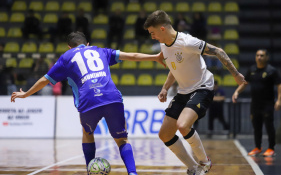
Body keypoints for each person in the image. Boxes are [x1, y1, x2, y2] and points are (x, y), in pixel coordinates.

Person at [11, 31, 165, 175]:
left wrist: (26, 94)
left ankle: (90, 169)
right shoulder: (100, 50)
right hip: (112, 97)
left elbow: (45, 79)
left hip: (88, 100)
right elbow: (132, 55)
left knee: (87, 133)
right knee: (122, 139)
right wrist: (155, 57)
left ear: (69, 46)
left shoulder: (66, 57)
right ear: (88, 43)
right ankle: (132, 173)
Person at [143, 10, 246, 174]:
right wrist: (165, 88)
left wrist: (236, 74)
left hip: (202, 87)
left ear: (162, 29)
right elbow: (174, 68)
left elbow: (219, 51)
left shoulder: (187, 41)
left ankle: (205, 162)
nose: (152, 37)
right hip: (184, 91)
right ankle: (193, 168)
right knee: (164, 134)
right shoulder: (164, 44)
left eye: (153, 33)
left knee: (183, 125)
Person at [232, 49, 281, 157]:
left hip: (267, 104)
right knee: (256, 126)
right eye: (257, 55)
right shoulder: (252, 69)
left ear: (267, 57)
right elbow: (245, 83)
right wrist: (236, 92)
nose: (259, 57)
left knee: (269, 126)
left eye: (262, 55)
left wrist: (279, 100)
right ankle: (258, 147)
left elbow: (279, 85)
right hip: (255, 104)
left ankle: (271, 148)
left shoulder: (271, 70)